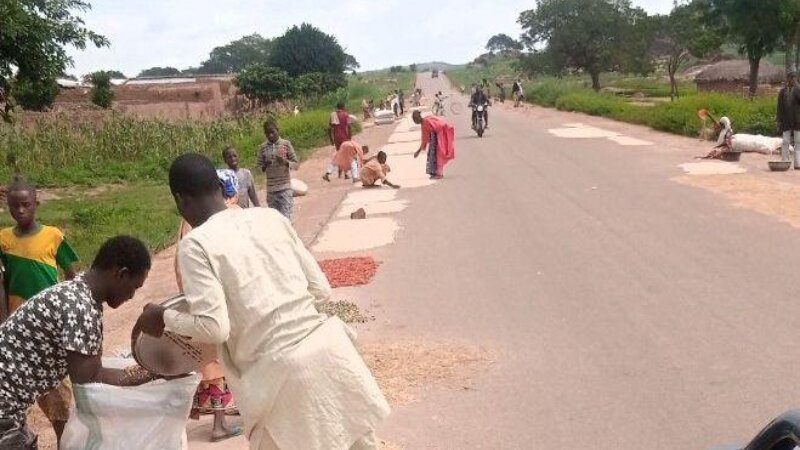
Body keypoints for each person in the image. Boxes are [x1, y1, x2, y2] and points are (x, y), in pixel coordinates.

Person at [137, 154, 390, 450]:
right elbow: (321, 290)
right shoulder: (270, 217)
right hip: (332, 357)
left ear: (180, 200)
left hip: (281, 382)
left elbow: (214, 328)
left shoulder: (196, 243)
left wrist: (164, 317)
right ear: (220, 186)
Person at [0, 236, 153, 449]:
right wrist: (151, 373)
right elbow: (89, 378)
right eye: (134, 287)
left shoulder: (76, 292)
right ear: (121, 274)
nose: (132, 296)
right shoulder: (81, 308)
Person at [0, 175, 79, 447]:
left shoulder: (53, 236)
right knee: (13, 395)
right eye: (14, 206)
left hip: (49, 328)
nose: (20, 211)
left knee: (58, 396)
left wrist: (74, 314)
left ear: (36, 204)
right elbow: (2, 283)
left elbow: (71, 275)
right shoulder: (3, 240)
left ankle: (64, 443)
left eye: (25, 205)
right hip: (17, 328)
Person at [176, 170, 242, 443]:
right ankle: (219, 425)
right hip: (210, 302)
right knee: (216, 361)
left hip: (196, 297)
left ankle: (225, 415)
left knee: (211, 361)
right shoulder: (207, 227)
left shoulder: (187, 223)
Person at [257, 120, 298, 219]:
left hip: (285, 189)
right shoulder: (262, 148)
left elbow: (296, 165)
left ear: (277, 130)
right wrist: (265, 164)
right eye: (267, 133)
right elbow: (258, 168)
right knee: (276, 221)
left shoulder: (286, 144)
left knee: (287, 220)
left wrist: (285, 162)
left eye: (272, 132)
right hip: (271, 191)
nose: (270, 135)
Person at [413, 111, 456, 179]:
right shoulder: (425, 120)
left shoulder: (425, 122)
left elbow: (425, 139)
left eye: (415, 119)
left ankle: (439, 174)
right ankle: (435, 172)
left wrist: (418, 152)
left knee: (438, 155)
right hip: (437, 137)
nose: (415, 122)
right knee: (433, 155)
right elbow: (425, 139)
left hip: (438, 136)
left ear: (418, 118)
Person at [777, 71, 800, 168]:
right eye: (791, 78)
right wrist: (778, 120)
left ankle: (797, 164)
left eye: (794, 78)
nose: (792, 80)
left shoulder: (798, 90)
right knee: (785, 141)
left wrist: (798, 87)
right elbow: (779, 107)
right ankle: (784, 162)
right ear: (788, 79)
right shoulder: (782, 91)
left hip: (798, 120)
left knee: (798, 141)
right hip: (785, 120)